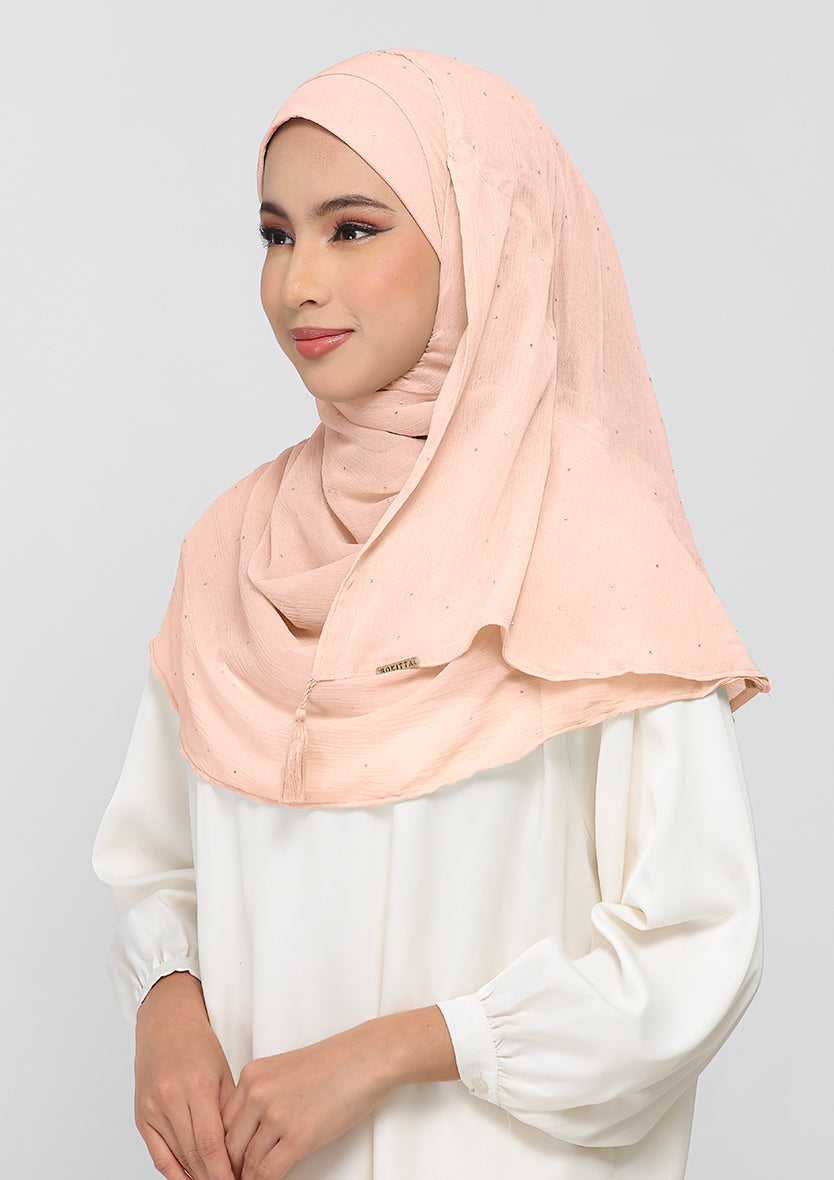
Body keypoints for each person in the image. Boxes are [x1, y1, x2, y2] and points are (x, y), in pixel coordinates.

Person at [92, 47, 769, 1180]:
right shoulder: (233, 552)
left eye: (353, 229)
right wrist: (166, 1004)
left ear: (482, 241)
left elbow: (695, 949)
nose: (298, 282)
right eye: (276, 234)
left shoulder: (595, 547)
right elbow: (159, 863)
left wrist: (396, 1052)